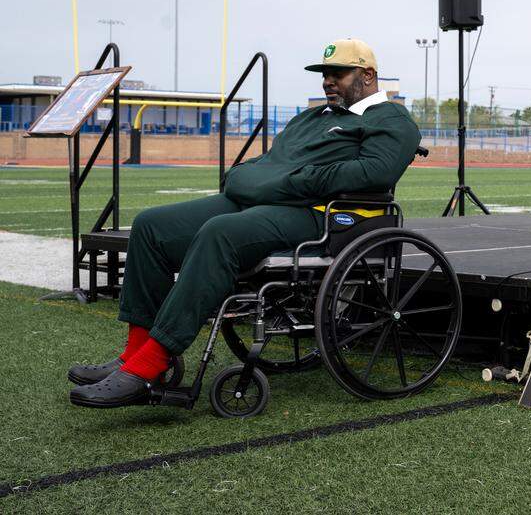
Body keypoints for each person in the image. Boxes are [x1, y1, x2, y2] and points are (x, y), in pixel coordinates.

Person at [68, 38, 421, 408]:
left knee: (220, 233)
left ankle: (149, 364)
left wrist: (293, 182)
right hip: (267, 201)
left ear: (367, 75)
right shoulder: (312, 118)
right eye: (324, 74)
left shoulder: (391, 119)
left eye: (338, 73)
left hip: (323, 216)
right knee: (150, 226)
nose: (327, 81)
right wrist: (261, 179)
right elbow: (262, 166)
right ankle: (134, 353)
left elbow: (374, 173)